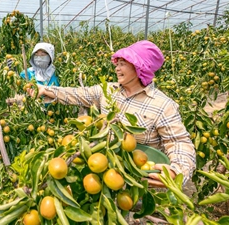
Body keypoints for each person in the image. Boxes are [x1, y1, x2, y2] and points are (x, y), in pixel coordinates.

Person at [27, 40, 196, 187]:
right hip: (105, 173)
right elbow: (77, 94)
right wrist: (45, 90)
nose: (117, 68)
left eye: (123, 64)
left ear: (139, 67)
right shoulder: (107, 90)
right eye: (117, 64)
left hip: (139, 179)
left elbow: (179, 142)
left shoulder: (163, 105)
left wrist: (177, 171)